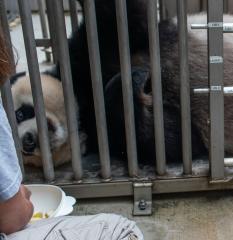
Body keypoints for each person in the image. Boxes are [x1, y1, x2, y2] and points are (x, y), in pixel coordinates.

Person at [0, 33, 143, 240]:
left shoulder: (75, 68)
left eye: (21, 115)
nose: (26, 138)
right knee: (122, 231)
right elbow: (11, 217)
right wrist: (20, 197)